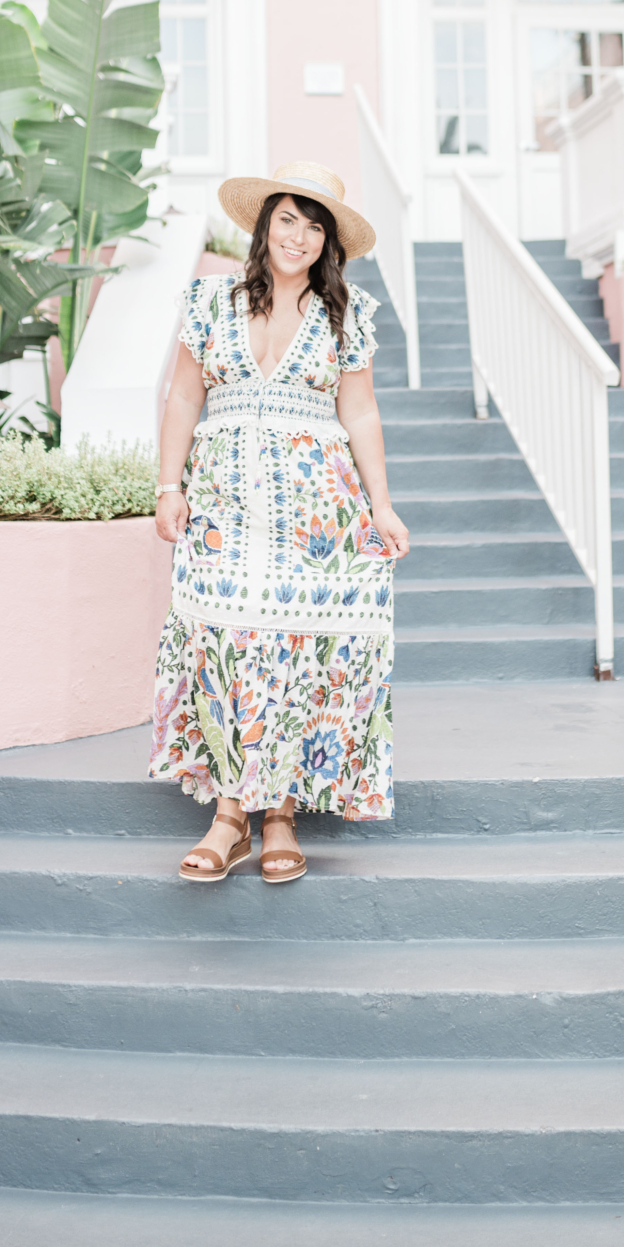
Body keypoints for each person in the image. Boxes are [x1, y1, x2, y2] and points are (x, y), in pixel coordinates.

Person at [149, 160, 410, 883]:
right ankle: (229, 814)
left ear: (328, 243)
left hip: (317, 518)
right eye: (287, 219)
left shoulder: (344, 314)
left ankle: (280, 815)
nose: (297, 236)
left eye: (313, 226)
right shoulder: (208, 301)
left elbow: (357, 410)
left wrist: (379, 503)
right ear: (264, 226)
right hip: (224, 509)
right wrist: (169, 485)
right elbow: (181, 399)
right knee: (228, 649)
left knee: (297, 654)